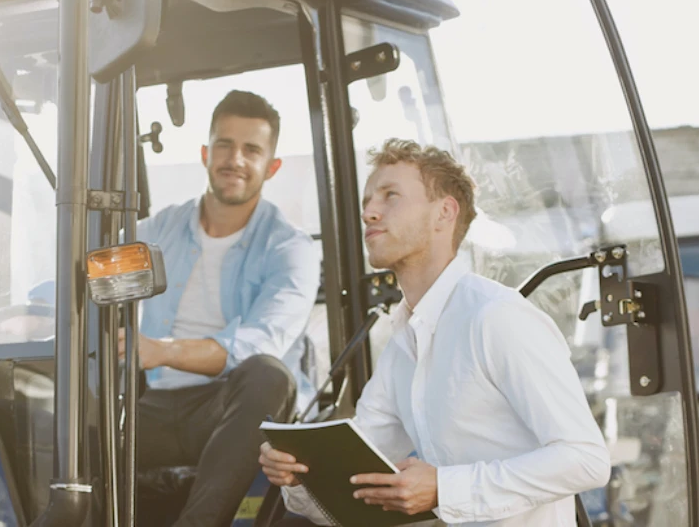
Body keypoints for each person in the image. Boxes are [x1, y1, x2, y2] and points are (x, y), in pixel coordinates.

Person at [259, 139, 610, 526]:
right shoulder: (402, 348)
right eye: (367, 202)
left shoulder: (497, 318)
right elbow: (353, 486)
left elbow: (586, 459)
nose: (370, 213)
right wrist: (298, 473)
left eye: (390, 196)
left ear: (444, 212)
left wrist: (445, 488)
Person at [124, 89, 320, 526]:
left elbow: (258, 345)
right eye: (225, 145)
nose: (236, 159)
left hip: (234, 411)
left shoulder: (290, 248)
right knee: (56, 413)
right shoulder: (160, 229)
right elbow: (91, 267)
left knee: (267, 373)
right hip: (156, 405)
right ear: (204, 153)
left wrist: (164, 350)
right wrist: (21, 313)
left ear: (272, 166)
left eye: (252, 150)